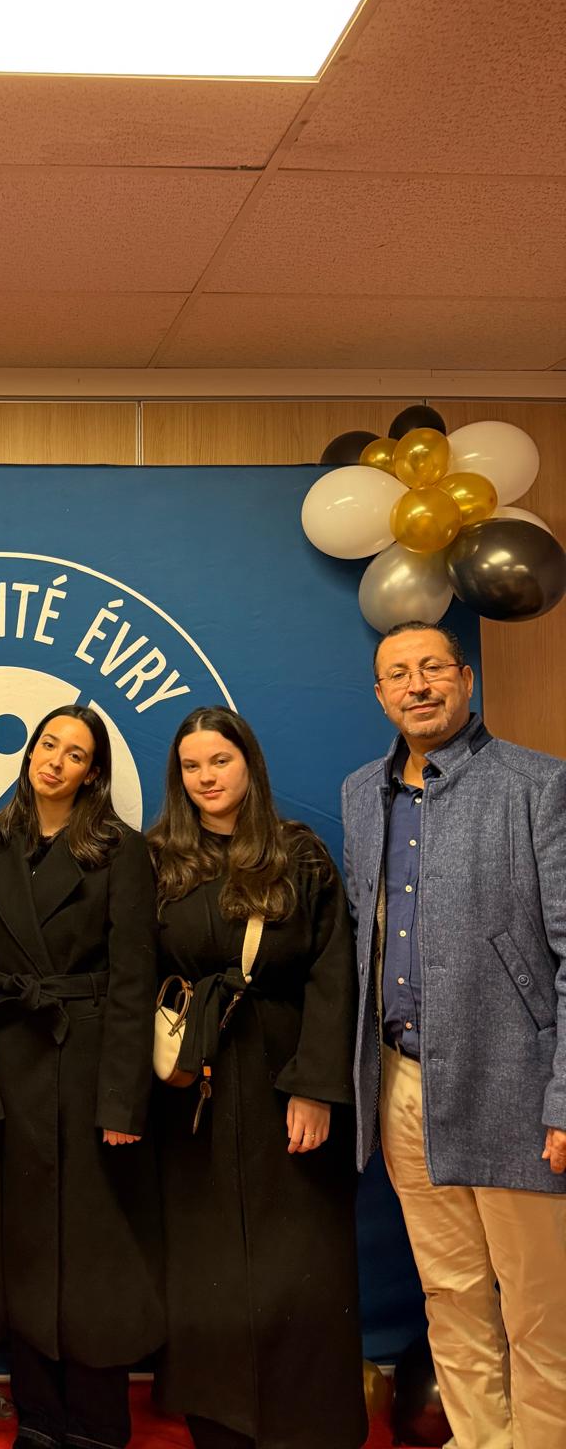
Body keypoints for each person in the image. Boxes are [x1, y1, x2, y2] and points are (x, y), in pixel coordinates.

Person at [343, 620, 566, 1449]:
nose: (418, 685)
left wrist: (564, 1098)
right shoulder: (361, 793)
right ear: (380, 695)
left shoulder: (537, 785)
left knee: (540, 1310)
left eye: (433, 667)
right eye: (399, 673)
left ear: (465, 679)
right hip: (404, 1086)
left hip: (515, 1089)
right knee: (452, 1296)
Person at [149, 706, 365, 1449]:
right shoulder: (158, 861)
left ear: (250, 764)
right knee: (205, 1267)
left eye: (221, 760)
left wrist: (316, 1087)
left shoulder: (298, 855)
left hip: (286, 1077)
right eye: (192, 766)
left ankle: (310, 1428)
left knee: (302, 1263)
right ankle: (220, 1427)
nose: (207, 777)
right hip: (194, 1095)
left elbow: (334, 972)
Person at [0, 704, 163, 1449]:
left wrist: (121, 1100)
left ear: (93, 773)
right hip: (13, 1061)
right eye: (47, 745)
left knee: (94, 1250)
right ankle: (39, 1416)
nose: (55, 760)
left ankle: (95, 1422)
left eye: (75, 753)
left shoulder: (120, 850)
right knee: (23, 1244)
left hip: (88, 1063)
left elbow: (134, 981)